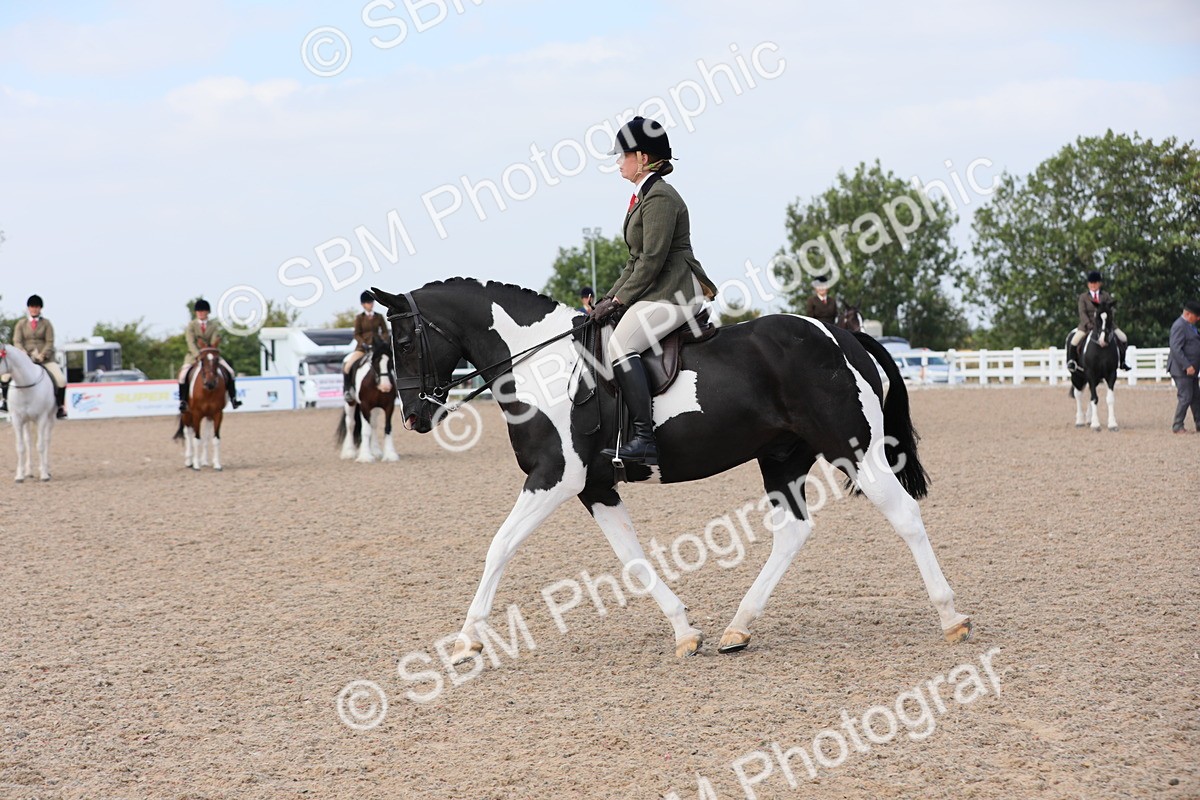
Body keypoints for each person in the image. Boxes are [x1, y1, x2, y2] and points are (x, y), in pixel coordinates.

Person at [588, 116, 718, 465]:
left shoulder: (660, 197)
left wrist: (618, 301)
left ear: (642, 157)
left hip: (676, 291)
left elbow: (652, 262)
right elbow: (634, 261)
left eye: (623, 155)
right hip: (658, 288)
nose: (618, 162)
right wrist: (608, 300)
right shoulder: (642, 196)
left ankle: (645, 439)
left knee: (621, 345)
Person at [9, 294, 68, 419]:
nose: (34, 309)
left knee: (61, 380)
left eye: (36, 307)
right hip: (26, 359)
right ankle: (5, 402)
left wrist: (43, 355)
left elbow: (50, 342)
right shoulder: (21, 324)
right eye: (32, 307)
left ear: (40, 308)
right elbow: (17, 341)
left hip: (44, 358)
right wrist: (22, 352)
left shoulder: (47, 324)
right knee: (6, 376)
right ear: (28, 308)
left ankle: (60, 407)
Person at [178, 299, 241, 411]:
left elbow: (214, 341)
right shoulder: (191, 326)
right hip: (194, 356)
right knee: (183, 375)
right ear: (196, 313)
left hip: (211, 355)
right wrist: (198, 354)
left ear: (207, 312)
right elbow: (190, 342)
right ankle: (183, 401)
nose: (201, 313)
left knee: (230, 371)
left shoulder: (214, 326)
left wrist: (210, 352)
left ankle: (233, 398)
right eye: (199, 311)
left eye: (203, 311)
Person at [1068, 270, 1130, 371]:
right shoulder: (1083, 297)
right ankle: (1072, 362)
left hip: (1106, 325)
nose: (1093, 285)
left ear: (1099, 283)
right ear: (1088, 284)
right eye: (1091, 283)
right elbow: (1082, 313)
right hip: (1087, 325)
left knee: (1123, 338)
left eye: (1095, 283)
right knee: (1074, 341)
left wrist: (1108, 323)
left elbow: (1111, 310)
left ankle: (1122, 362)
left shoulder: (1105, 296)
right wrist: (1089, 324)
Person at [343, 290, 389, 403]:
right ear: (363, 304)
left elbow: (385, 332)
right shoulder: (359, 318)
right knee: (347, 366)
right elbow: (356, 334)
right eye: (368, 303)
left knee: (388, 364)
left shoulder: (379, 317)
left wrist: (382, 341)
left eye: (371, 302)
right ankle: (348, 390)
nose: (371, 304)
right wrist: (364, 343)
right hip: (362, 349)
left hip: (378, 348)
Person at [1167, 299, 1200, 434]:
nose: (1198, 318)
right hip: (1182, 369)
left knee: (1196, 397)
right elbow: (1175, 348)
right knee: (1185, 396)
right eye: (1196, 316)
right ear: (1188, 314)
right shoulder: (1179, 326)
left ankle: (1199, 423)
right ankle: (1177, 424)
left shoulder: (1190, 326)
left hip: (1192, 369)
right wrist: (1186, 365)